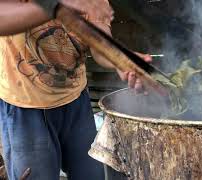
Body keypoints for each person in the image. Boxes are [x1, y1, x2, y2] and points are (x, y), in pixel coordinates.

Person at [0, 0, 151, 179]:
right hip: (24, 106)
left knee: (92, 175)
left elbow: (99, 42)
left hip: (75, 101)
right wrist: (60, 6)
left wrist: (122, 61)